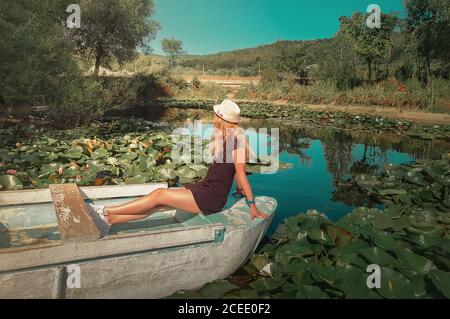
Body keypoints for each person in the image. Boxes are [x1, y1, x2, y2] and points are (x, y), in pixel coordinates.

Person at [88, 99, 269, 236]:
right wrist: (239, 189)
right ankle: (109, 220)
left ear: (221, 118)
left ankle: (105, 211)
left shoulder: (236, 141)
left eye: (216, 114)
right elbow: (232, 173)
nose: (213, 117)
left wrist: (252, 204)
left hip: (212, 198)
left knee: (160, 195)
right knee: (158, 206)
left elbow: (241, 173)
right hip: (205, 187)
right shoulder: (223, 137)